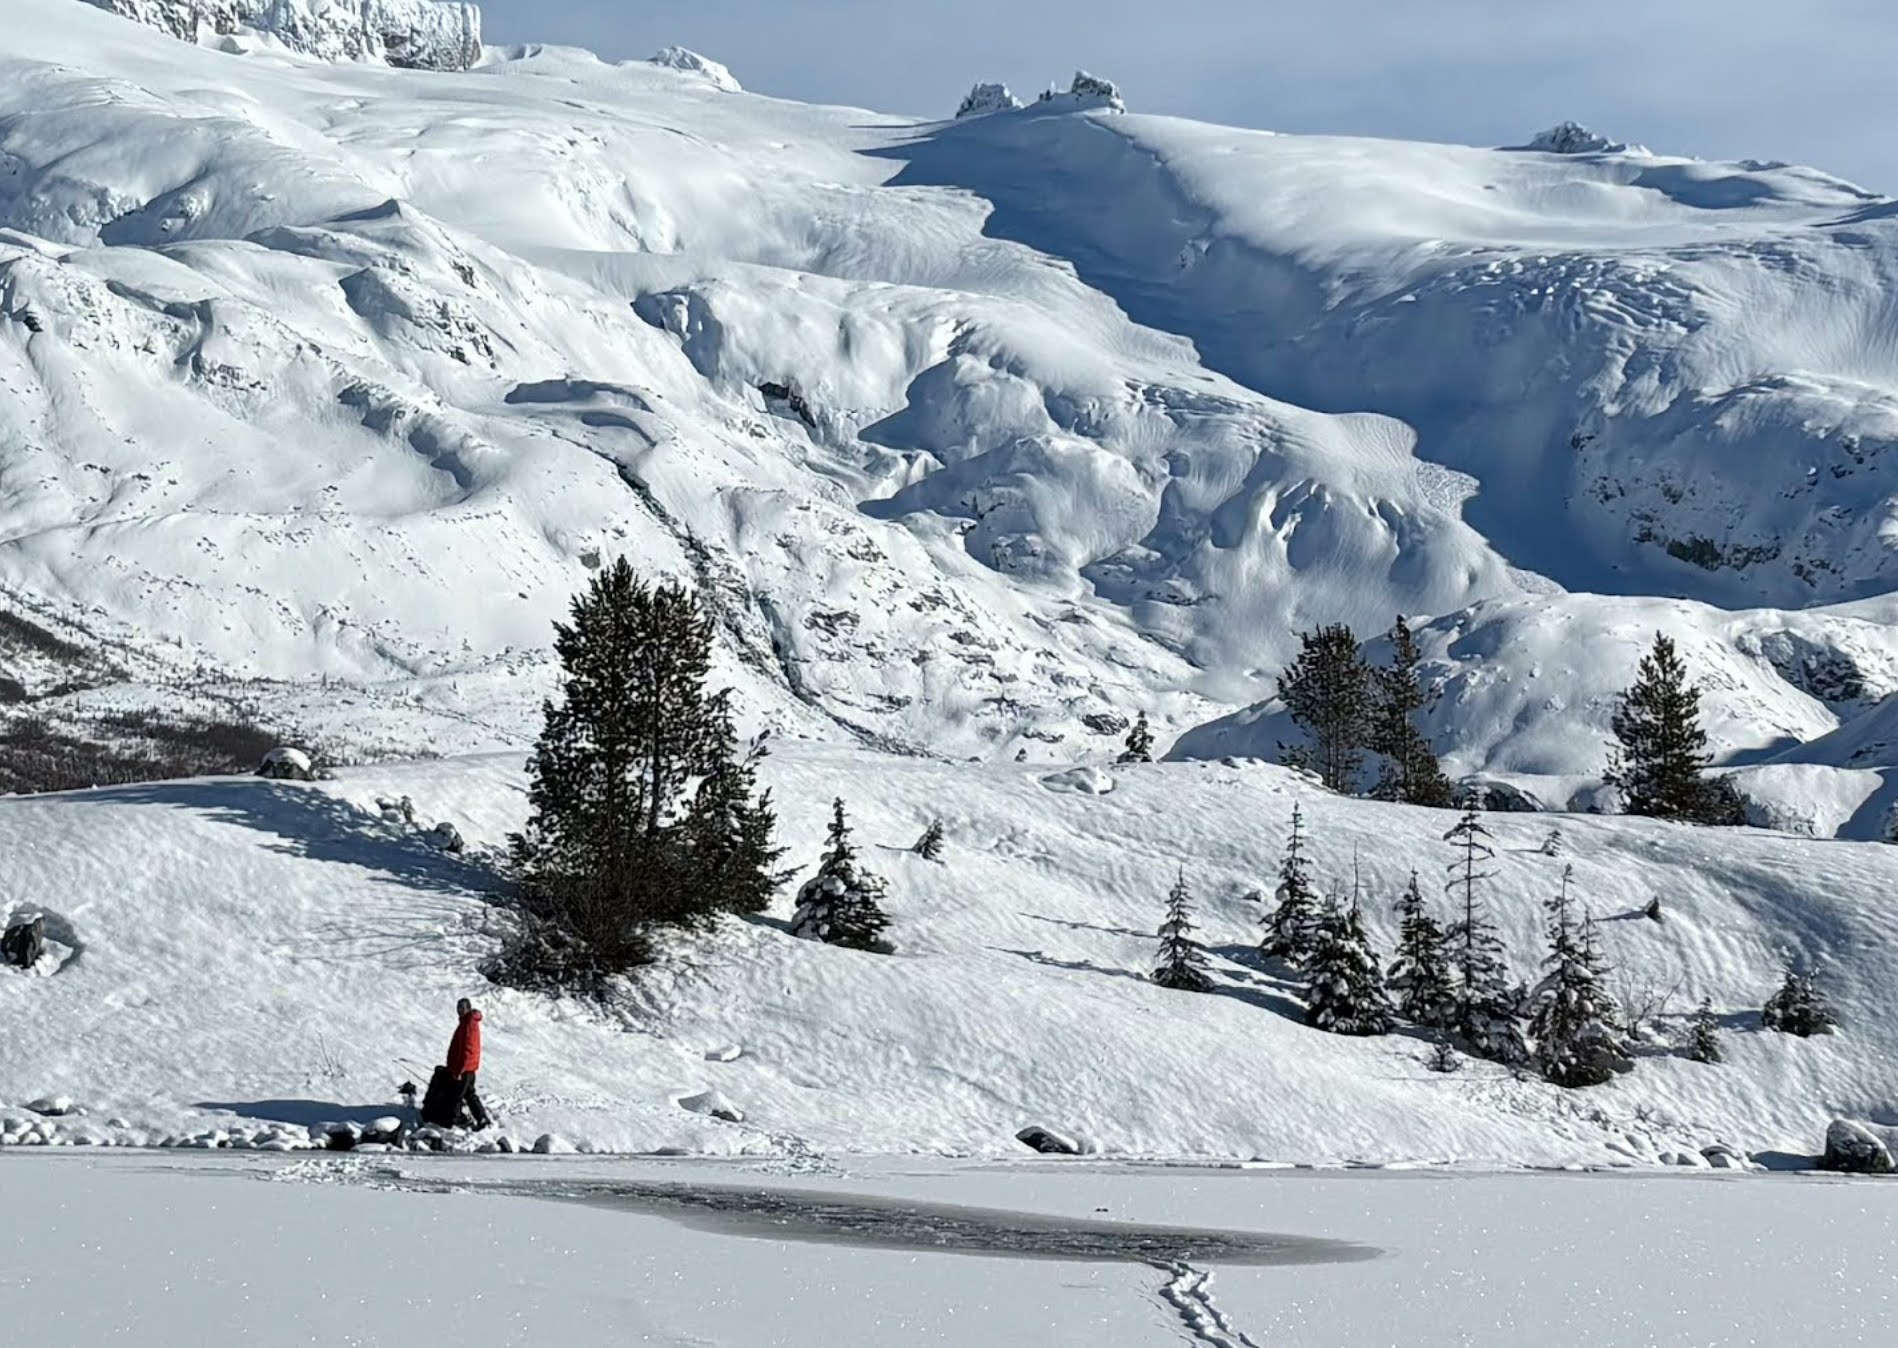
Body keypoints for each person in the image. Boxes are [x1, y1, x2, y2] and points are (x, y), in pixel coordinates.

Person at [445, 997, 491, 1130]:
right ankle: (482, 1119)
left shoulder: (468, 1023)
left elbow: (467, 1048)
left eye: (462, 1008)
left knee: (456, 1096)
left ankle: (459, 1121)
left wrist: (459, 1070)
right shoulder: (468, 1022)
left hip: (465, 1069)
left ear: (468, 1008)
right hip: (469, 1068)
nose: (459, 1010)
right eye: (458, 1008)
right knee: (469, 1095)